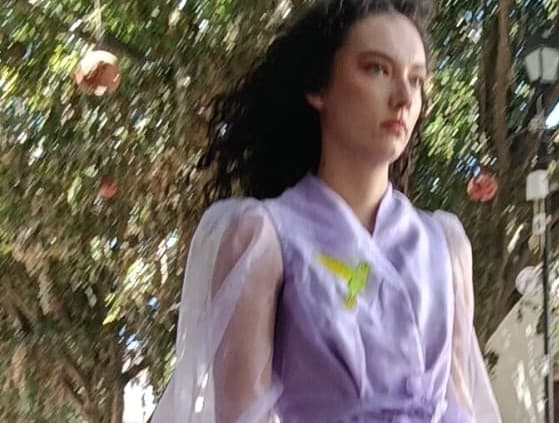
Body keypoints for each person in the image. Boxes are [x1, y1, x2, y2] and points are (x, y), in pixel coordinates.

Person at [150, 0, 502, 421]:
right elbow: (242, 413)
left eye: (416, 79)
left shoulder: (444, 245)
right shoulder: (263, 238)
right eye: (377, 69)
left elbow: (459, 400)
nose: (404, 97)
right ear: (318, 88)